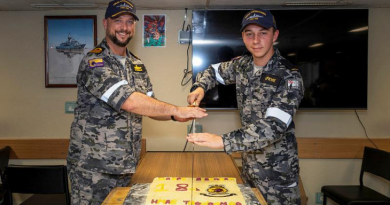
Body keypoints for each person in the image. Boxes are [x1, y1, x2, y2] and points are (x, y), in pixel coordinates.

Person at [66, 0, 207, 204]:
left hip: (126, 166)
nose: (124, 27)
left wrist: (175, 116)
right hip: (93, 169)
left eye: (130, 22)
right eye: (118, 21)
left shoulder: (137, 65)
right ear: (106, 23)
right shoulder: (94, 62)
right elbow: (130, 101)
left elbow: (149, 105)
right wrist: (178, 109)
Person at [187, 9, 304, 205]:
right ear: (243, 37)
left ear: (274, 35)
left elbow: (272, 128)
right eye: (249, 33)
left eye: (263, 33)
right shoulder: (243, 66)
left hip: (277, 178)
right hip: (249, 169)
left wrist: (223, 141)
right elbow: (212, 71)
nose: (256, 40)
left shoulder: (289, 76)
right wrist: (199, 87)